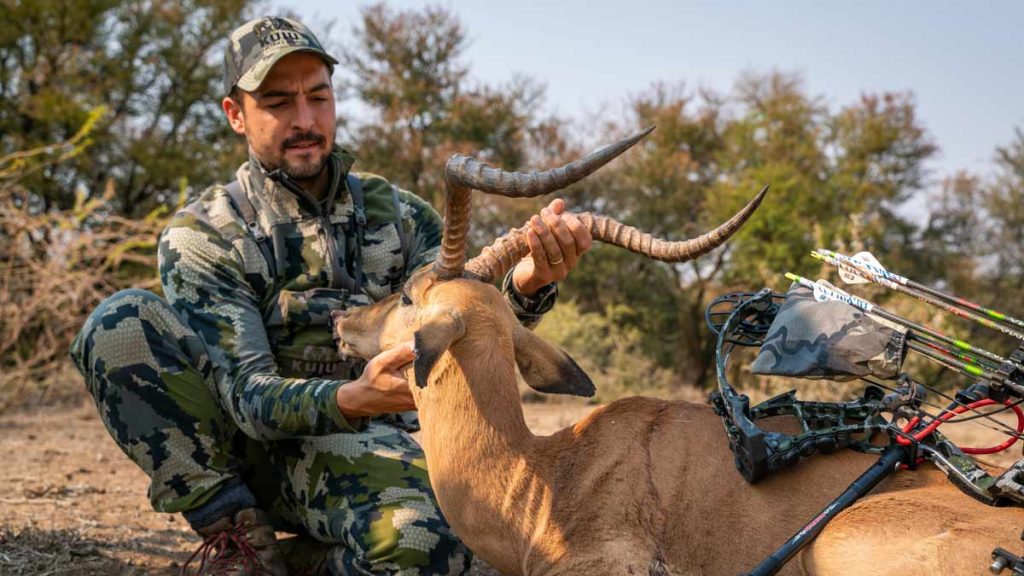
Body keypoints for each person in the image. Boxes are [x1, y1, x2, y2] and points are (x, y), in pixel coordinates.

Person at [70, 16, 592, 576]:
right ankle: (238, 540)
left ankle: (304, 562)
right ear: (235, 116)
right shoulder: (204, 235)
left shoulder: (401, 214)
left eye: (318, 97)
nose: (305, 120)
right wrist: (350, 400)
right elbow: (249, 397)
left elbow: (462, 321)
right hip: (257, 453)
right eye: (277, 103)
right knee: (120, 324)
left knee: (444, 542)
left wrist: (529, 282)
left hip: (388, 446)